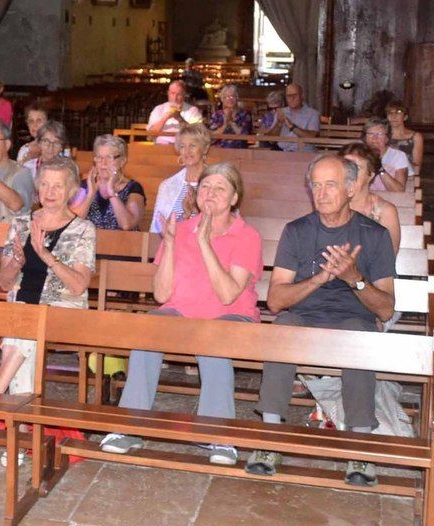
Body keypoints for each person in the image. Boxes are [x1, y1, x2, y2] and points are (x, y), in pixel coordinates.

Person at [101, 162, 264, 467]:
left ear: (234, 199)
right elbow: (162, 296)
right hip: (181, 313)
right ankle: (129, 427)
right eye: (205, 187)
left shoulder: (247, 236)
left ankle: (218, 433)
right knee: (150, 327)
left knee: (213, 336)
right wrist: (172, 244)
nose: (210, 194)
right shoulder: (180, 229)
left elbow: (229, 295)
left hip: (230, 318)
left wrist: (203, 242)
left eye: (220, 189)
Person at [245, 155, 396, 486]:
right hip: (304, 318)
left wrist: (354, 278)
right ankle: (270, 438)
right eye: (316, 185)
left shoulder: (374, 235)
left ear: (352, 187)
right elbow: (275, 301)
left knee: (360, 335)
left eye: (331, 184)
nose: (322, 193)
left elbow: (385, 309)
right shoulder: (297, 232)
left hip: (353, 320)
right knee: (282, 328)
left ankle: (359, 446)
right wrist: (319, 279)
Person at [0, 158, 95, 442]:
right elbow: (3, 282)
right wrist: (16, 261)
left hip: (64, 311)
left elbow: (79, 285)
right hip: (23, 310)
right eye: (45, 184)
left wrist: (46, 255)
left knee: (25, 325)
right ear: (37, 188)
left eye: (58, 186)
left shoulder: (83, 229)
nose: (50, 191)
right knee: (23, 329)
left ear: (72, 190)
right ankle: (23, 439)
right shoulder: (21, 223)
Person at [71, 134, 145, 231]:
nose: (103, 163)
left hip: (124, 244)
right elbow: (72, 224)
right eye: (99, 157)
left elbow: (126, 225)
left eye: (109, 157)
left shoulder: (133, 188)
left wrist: (111, 192)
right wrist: (90, 195)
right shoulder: (85, 186)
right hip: (90, 244)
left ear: (122, 161)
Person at [340, 143, 401, 254]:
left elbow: (387, 260)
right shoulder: (330, 204)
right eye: (345, 166)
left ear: (370, 175)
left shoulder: (385, 211)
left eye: (356, 168)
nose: (348, 172)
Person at [149, 124, 211, 233]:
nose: (187, 151)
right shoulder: (168, 185)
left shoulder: (217, 182)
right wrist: (185, 215)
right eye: (182, 146)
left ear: (205, 149)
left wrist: (197, 211)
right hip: (175, 246)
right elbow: (157, 228)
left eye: (192, 145)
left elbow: (225, 225)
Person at [260, 83, 319, 152]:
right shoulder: (281, 112)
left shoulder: (313, 114)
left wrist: (292, 126)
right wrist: (278, 125)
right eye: (289, 96)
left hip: (303, 153)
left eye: (295, 95)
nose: (292, 99)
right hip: (282, 153)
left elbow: (312, 138)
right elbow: (271, 140)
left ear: (302, 96)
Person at [146, 81, 203, 145]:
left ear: (184, 96)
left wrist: (179, 118)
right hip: (161, 147)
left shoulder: (193, 111)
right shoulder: (158, 109)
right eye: (172, 93)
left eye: (179, 94)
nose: (175, 98)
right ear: (168, 94)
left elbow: (197, 135)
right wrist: (165, 117)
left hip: (184, 148)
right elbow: (150, 136)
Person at [362, 118, 409, 192]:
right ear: (364, 137)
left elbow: (399, 191)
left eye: (379, 134)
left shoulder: (398, 156)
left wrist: (380, 169)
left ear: (387, 138)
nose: (374, 138)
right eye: (370, 134)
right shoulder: (358, 153)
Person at [208, 84, 252, 148]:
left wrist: (232, 123)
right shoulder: (216, 115)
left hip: (239, 151)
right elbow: (212, 135)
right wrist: (224, 126)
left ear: (237, 98)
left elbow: (245, 136)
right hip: (219, 150)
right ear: (222, 100)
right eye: (226, 97)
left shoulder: (245, 115)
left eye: (232, 97)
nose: (229, 100)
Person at [385, 101, 423, 175]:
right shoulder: (382, 135)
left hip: (407, 174)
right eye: (390, 113)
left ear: (405, 117)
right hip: (385, 174)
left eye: (398, 112)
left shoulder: (415, 136)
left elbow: (417, 165)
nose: (393, 116)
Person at [15, 105, 50, 171]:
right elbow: (17, 176)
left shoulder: (58, 147)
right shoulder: (24, 150)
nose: (35, 125)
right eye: (31, 121)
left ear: (47, 123)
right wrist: (28, 158)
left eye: (39, 120)